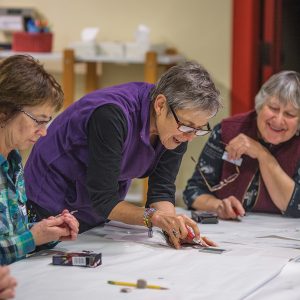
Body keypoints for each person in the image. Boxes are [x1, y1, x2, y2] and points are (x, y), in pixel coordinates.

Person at [24, 61, 222, 249]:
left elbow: (161, 190)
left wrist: (173, 225)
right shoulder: (112, 115)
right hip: (51, 196)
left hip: (93, 206)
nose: (190, 137)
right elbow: (104, 199)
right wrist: (154, 218)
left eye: (198, 130)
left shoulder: (176, 130)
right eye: (187, 126)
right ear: (160, 105)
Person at [183, 70, 300, 219]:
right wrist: (218, 206)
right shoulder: (227, 130)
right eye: (273, 108)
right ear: (260, 105)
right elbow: (193, 191)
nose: (278, 120)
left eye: (290, 114)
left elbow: (296, 206)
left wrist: (263, 155)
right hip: (233, 233)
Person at [0, 55, 79, 265]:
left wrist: (48, 232)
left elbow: (10, 235)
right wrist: (33, 238)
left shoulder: (13, 159)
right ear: (4, 113)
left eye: (47, 122)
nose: (43, 132)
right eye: (38, 121)